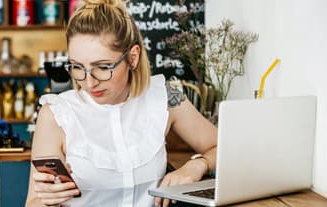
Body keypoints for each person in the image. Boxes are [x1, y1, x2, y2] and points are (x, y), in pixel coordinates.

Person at [25, 0, 217, 206]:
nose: (89, 82)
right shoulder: (56, 114)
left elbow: (222, 147)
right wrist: (48, 200)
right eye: (77, 67)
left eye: (103, 67)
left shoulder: (164, 97)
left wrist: (197, 166)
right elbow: (32, 202)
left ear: (132, 58)